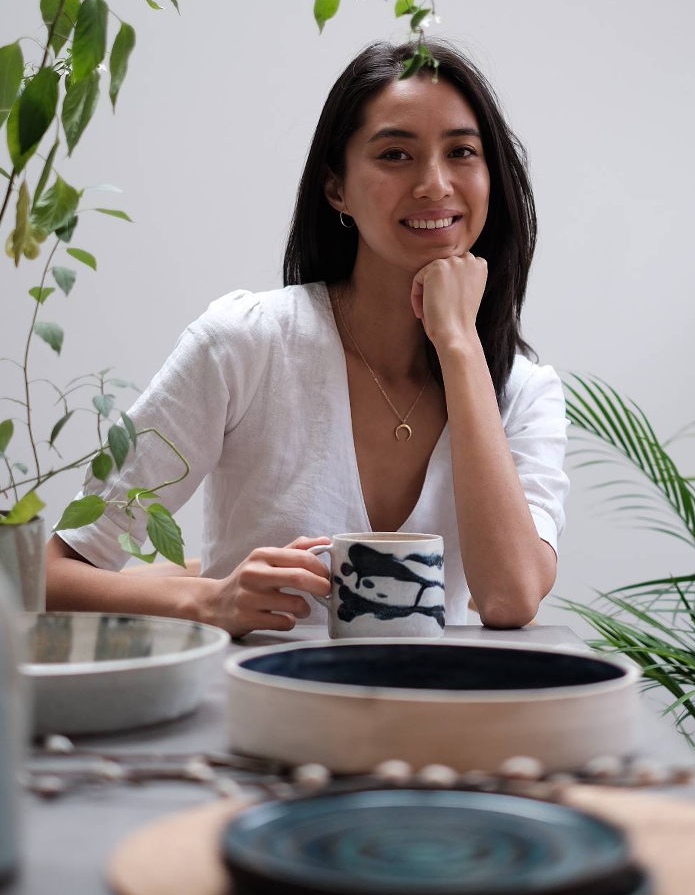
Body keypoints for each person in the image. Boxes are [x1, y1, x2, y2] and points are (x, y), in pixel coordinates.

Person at [46, 37, 570, 636]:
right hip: (255, 714)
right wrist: (207, 601)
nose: (433, 183)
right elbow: (47, 576)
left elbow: (509, 599)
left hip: (434, 722)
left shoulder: (523, 392)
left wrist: (459, 346)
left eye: (462, 152)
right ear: (336, 189)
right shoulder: (245, 345)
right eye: (395, 154)